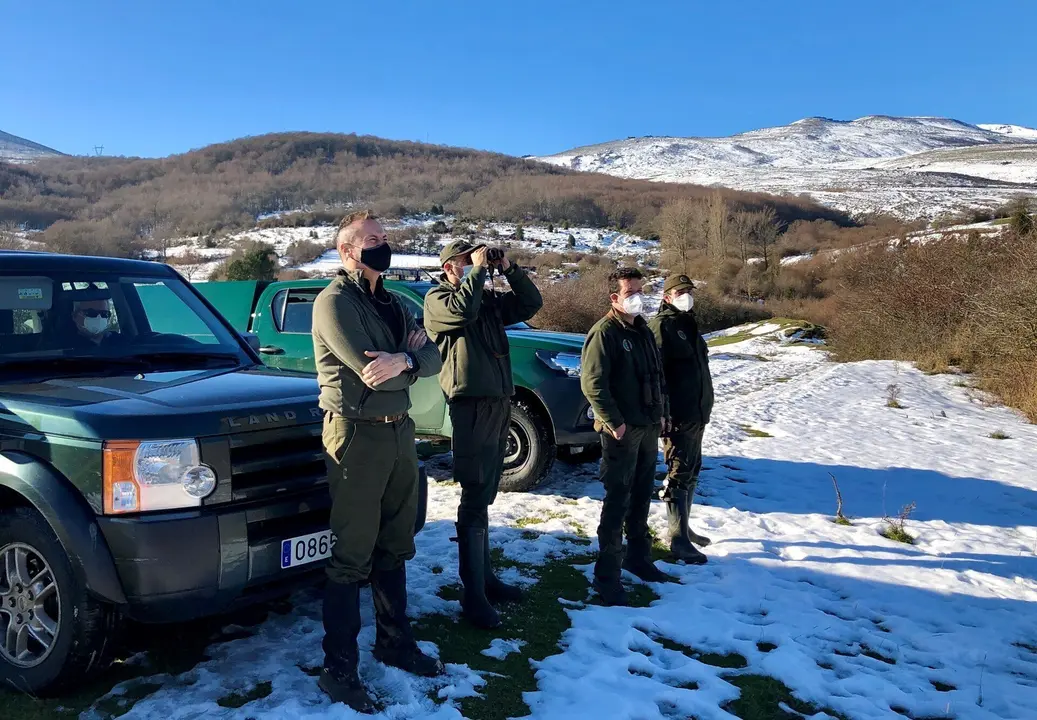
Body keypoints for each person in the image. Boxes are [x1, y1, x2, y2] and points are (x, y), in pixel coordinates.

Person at [311, 210, 445, 713]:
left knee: (396, 542)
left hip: (399, 434)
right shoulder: (333, 303)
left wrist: (406, 359)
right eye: (372, 240)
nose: (382, 246)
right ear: (348, 251)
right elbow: (372, 373)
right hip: (357, 437)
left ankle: (394, 642)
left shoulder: (390, 302)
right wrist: (400, 361)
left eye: (385, 238)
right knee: (352, 555)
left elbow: (430, 359)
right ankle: (338, 669)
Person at [423, 239, 543, 628]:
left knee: (487, 492)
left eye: (474, 258)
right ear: (448, 268)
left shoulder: (486, 299)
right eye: (462, 260)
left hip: (497, 401)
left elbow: (530, 304)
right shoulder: (438, 300)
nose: (473, 263)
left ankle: (486, 579)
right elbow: (460, 310)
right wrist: (475, 272)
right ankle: (472, 594)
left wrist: (507, 267)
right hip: (470, 404)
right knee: (474, 493)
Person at [580, 267, 671, 606]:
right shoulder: (605, 333)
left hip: (646, 426)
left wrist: (660, 414)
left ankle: (638, 557)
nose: (637, 297)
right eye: (630, 292)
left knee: (642, 495)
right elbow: (593, 384)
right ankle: (607, 577)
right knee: (617, 500)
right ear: (613, 298)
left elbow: (656, 375)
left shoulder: (642, 331)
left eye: (639, 290)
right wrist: (614, 422)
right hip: (621, 431)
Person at [649, 274, 714, 565]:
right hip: (677, 413)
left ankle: (683, 527)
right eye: (680, 291)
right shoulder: (663, 327)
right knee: (678, 470)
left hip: (696, 411)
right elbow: (656, 375)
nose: (686, 295)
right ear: (667, 297)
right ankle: (677, 539)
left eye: (689, 290)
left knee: (692, 468)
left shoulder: (689, 324)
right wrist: (663, 412)